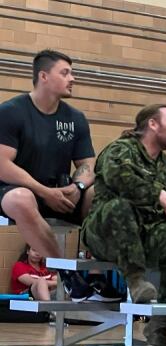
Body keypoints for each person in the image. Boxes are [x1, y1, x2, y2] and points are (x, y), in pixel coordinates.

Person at [82, 104, 166, 346]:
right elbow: (119, 178)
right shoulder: (120, 149)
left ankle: (159, 323)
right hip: (105, 230)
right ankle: (135, 281)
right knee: (120, 207)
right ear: (153, 124)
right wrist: (159, 194)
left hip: (145, 233)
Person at [0, 49, 103, 301]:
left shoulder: (75, 118)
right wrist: (44, 191)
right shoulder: (11, 111)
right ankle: (66, 274)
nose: (73, 78)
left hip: (61, 195)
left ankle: (99, 273)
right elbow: (3, 164)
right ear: (43, 76)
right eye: (65, 72)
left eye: (72, 72)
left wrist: (77, 187)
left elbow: (88, 163)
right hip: (14, 192)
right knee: (21, 198)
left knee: (99, 192)